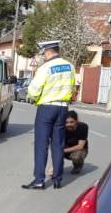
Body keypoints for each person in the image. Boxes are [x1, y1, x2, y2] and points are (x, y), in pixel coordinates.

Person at [22, 40, 76, 190]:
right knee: (58, 144)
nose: (43, 57)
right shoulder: (70, 66)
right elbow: (73, 86)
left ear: (48, 52)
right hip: (63, 108)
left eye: (44, 54)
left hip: (46, 108)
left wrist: (33, 98)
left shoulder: (45, 67)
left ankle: (39, 180)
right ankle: (57, 179)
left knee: (41, 145)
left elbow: (34, 90)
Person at [63, 110, 88, 174]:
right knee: (55, 150)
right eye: (66, 122)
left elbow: (80, 146)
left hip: (79, 150)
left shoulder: (83, 127)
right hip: (65, 148)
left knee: (77, 156)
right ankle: (58, 166)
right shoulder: (61, 128)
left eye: (72, 122)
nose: (69, 124)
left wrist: (63, 151)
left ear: (76, 121)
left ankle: (78, 166)